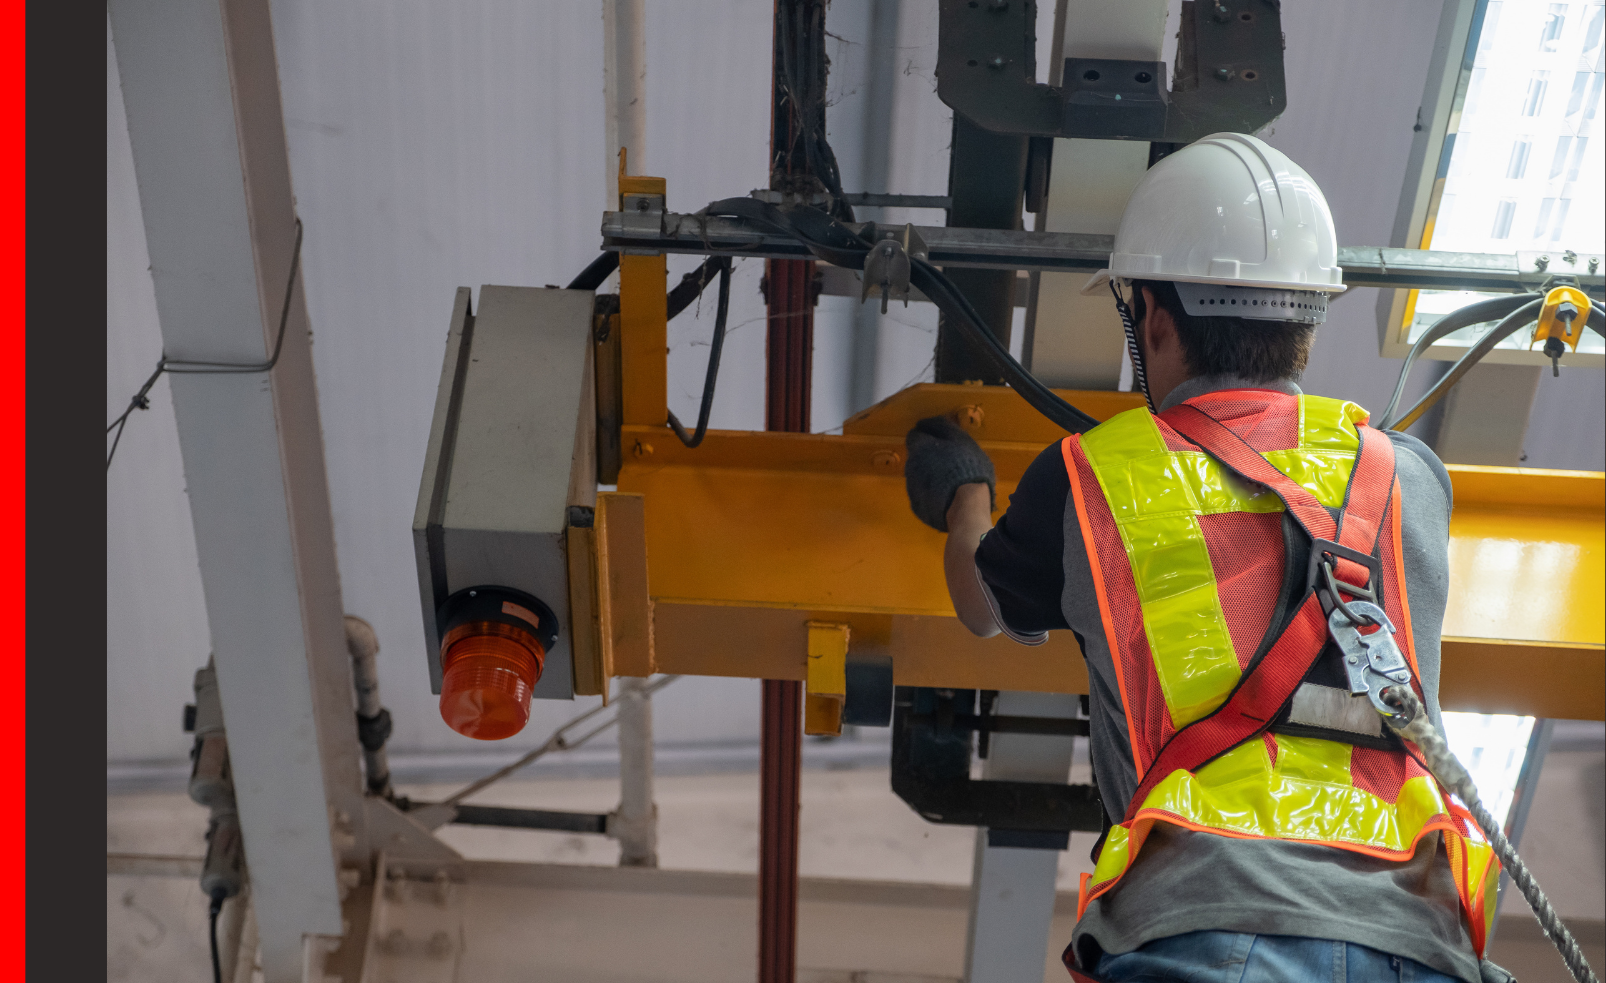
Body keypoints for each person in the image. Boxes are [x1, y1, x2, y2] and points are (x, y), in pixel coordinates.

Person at [902, 133, 1503, 983]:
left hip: (1203, 922)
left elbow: (981, 602)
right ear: (1307, 319)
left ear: (1152, 317)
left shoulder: (1091, 477)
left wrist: (963, 495)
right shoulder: (1410, 476)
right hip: (1419, 940)